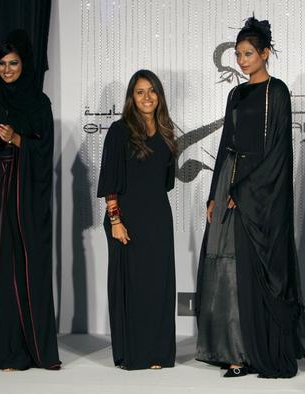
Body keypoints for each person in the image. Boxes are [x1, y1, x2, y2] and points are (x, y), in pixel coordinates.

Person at [195, 16, 305, 379]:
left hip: (262, 193)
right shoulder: (236, 94)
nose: (242, 60)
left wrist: (245, 191)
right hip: (231, 183)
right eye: (238, 54)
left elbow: (279, 151)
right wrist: (217, 191)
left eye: (248, 53)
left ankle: (259, 349)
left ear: (265, 53)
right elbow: (226, 144)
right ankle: (235, 351)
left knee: (257, 268)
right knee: (230, 269)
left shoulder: (277, 92)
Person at [0, 30, 61, 371]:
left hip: (24, 205)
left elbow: (45, 150)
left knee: (21, 269)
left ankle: (24, 349)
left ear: (25, 64)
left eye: (14, 63)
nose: (7, 70)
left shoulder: (38, 103)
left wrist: (18, 138)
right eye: (2, 64)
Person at [96, 69, 177, 370]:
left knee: (159, 285)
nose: (147, 97)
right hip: (126, 218)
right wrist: (115, 220)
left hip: (157, 216)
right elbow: (110, 182)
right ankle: (135, 353)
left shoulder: (167, 132)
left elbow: (166, 181)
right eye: (140, 92)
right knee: (133, 286)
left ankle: (157, 353)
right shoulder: (120, 131)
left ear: (160, 96)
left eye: (152, 91)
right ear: (131, 97)